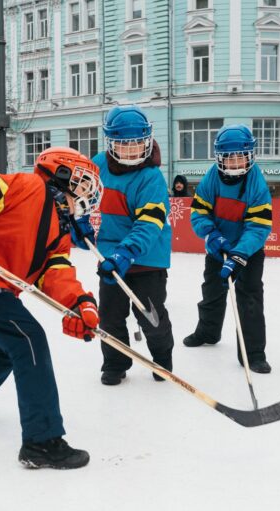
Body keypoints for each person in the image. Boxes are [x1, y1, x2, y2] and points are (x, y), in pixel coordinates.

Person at [0, 146, 103, 470]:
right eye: (83, 185)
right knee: (28, 339)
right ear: (62, 175)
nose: (87, 195)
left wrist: (79, 303)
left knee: (11, 343)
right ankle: (41, 442)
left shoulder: (59, 230)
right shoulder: (27, 187)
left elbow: (56, 273)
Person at [92, 105, 174, 386]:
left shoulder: (151, 177)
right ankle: (115, 363)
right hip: (110, 256)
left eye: (138, 143)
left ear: (147, 140)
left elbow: (150, 223)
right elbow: (80, 202)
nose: (131, 150)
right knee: (110, 315)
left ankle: (162, 359)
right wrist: (76, 227)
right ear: (110, 143)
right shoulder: (97, 166)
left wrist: (126, 251)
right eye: (123, 144)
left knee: (150, 315)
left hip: (147, 256)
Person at [184, 124, 273, 374]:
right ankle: (208, 332)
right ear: (219, 157)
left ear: (250, 155)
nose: (235, 161)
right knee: (212, 292)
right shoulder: (211, 177)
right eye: (229, 157)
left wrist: (239, 254)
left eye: (240, 156)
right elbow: (199, 212)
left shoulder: (257, 184)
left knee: (249, 299)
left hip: (248, 253)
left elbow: (258, 226)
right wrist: (212, 235)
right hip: (218, 248)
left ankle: (253, 353)